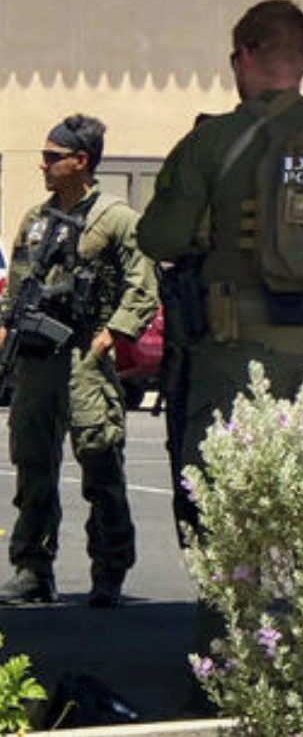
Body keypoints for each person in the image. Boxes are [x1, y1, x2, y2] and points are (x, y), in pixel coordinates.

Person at [137, 0, 303, 540]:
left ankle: (230, 627)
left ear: (245, 57)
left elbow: (159, 237)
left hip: (234, 355)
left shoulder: (212, 141)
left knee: (223, 518)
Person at [0, 114, 159, 607]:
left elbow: (143, 283)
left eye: (52, 157)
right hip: (38, 360)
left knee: (99, 458)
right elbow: (21, 284)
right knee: (33, 463)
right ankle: (32, 568)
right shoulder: (36, 220)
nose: (43, 166)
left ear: (80, 161)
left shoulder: (116, 219)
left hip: (85, 356)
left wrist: (111, 335)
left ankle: (109, 569)